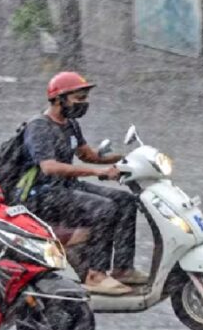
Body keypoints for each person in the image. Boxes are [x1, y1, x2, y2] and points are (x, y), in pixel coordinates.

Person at [19, 72, 148, 295]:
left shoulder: (70, 124)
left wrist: (126, 158)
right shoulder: (39, 127)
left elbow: (87, 154)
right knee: (104, 208)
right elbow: (48, 167)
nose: (84, 103)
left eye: (85, 98)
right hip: (42, 194)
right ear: (59, 99)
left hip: (67, 187)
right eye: (78, 98)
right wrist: (97, 172)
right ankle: (95, 274)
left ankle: (123, 268)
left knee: (126, 200)